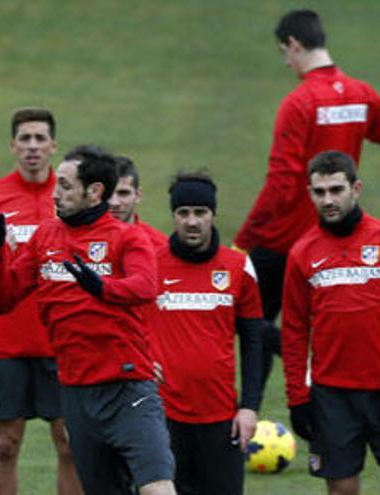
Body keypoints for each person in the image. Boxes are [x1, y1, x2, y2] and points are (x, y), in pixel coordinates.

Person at [234, 9, 380, 392]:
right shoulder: (360, 94)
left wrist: (244, 240)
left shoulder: (300, 103)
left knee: (246, 321)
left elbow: (281, 182)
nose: (286, 62)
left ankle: (251, 417)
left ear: (294, 44)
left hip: (283, 240)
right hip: (334, 238)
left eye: (284, 52)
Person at [0, 146, 176, 495]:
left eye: (66, 186)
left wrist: (101, 287)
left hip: (128, 387)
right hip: (75, 393)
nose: (56, 193)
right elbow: (1, 298)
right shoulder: (45, 237)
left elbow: (146, 286)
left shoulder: (126, 237)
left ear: (95, 191)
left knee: (156, 488)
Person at [0, 108, 81, 495]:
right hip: (4, 348)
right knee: (6, 446)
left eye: (40, 138)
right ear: (12, 146)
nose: (32, 146)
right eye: (24, 139)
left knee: (70, 445)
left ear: (53, 145)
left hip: (63, 344)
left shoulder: (72, 198)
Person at [282, 151, 380, 495]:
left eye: (336, 189)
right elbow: (294, 331)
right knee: (342, 490)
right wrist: (297, 398)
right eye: (319, 192)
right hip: (332, 397)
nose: (328, 200)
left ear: (355, 188)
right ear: (310, 193)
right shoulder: (303, 252)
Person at [147, 171, 263, 495]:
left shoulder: (238, 267)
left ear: (213, 213)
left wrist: (250, 406)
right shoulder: (150, 265)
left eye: (200, 212)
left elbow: (253, 341)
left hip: (222, 418)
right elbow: (123, 327)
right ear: (174, 216)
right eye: (184, 213)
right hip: (162, 418)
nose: (192, 222)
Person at [108, 155, 167, 247]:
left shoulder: (159, 245)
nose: (114, 202)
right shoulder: (81, 241)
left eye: (123, 193)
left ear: (138, 195)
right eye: (107, 194)